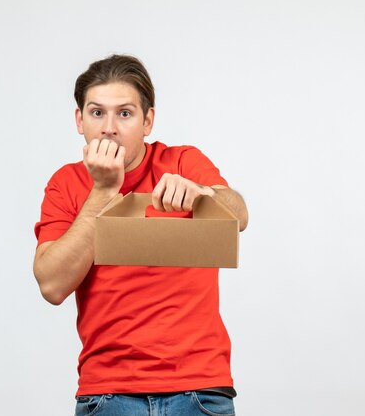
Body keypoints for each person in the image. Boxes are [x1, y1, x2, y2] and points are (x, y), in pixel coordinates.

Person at [33, 54, 248, 416]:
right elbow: (52, 285)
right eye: (97, 113)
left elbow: (240, 215)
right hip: (108, 393)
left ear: (148, 121)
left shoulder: (181, 161)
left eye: (125, 113)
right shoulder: (65, 184)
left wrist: (202, 192)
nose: (109, 127)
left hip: (199, 388)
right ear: (79, 120)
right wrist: (103, 191)